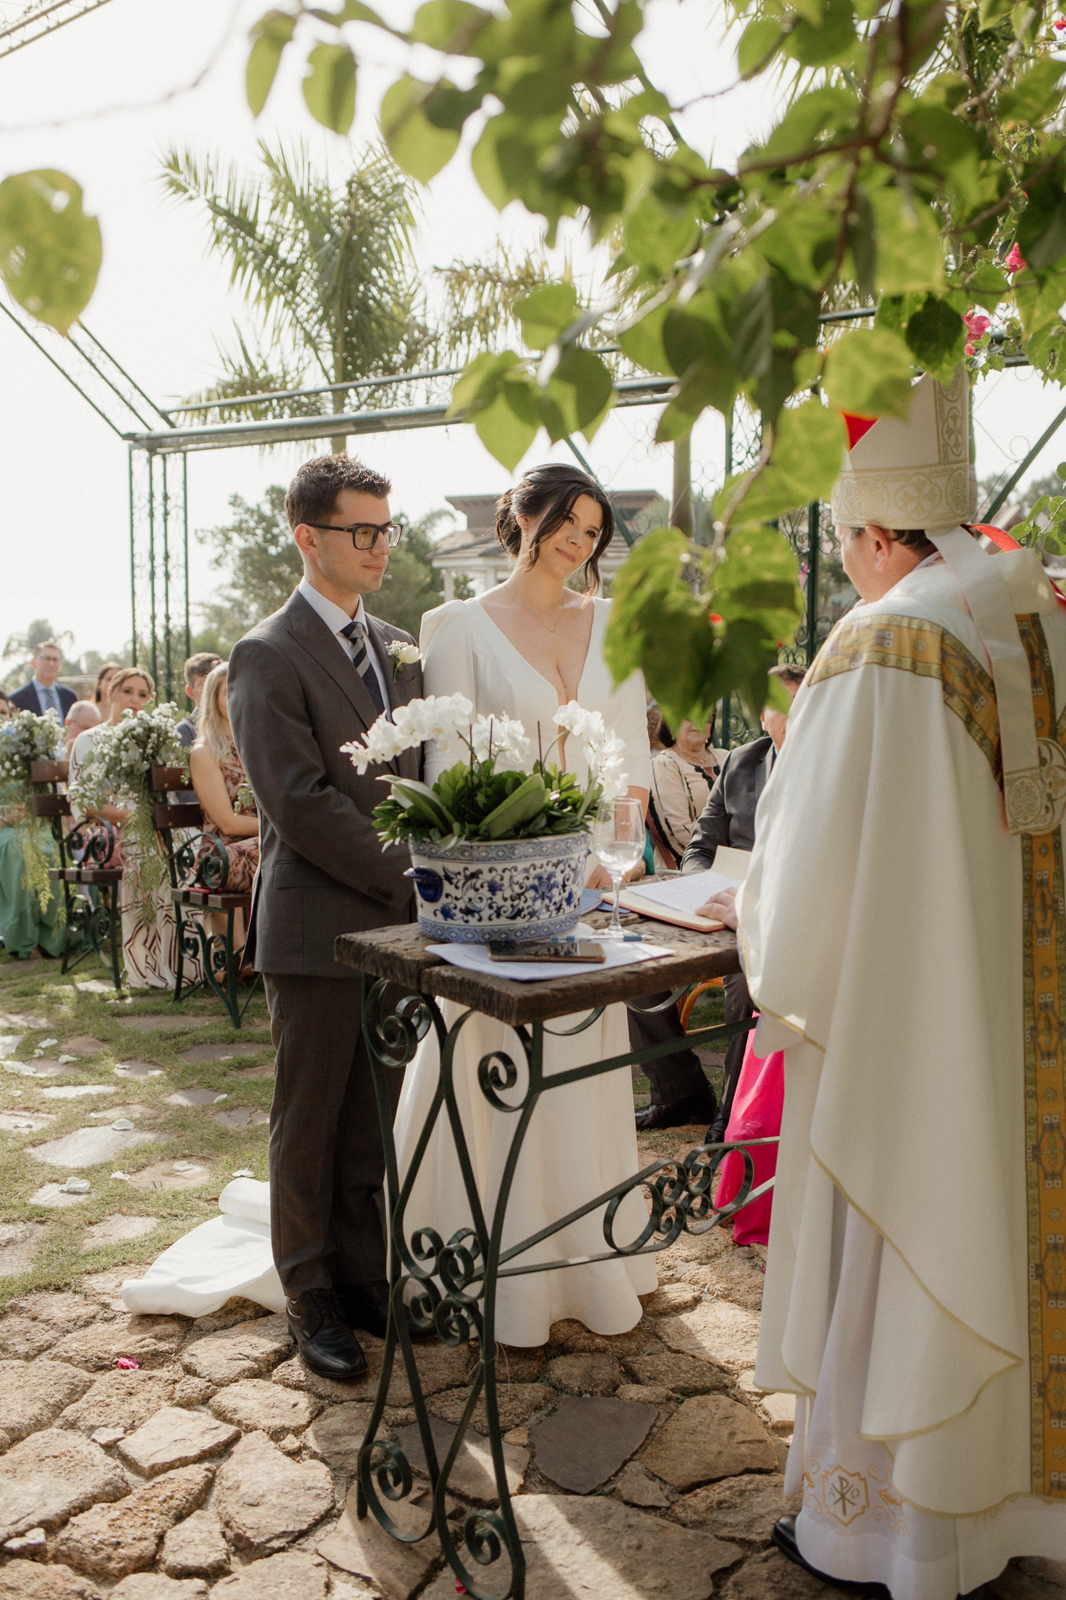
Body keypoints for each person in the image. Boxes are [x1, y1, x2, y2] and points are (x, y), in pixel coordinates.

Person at [703, 366, 1066, 1599]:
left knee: (908, 1223)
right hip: (1034, 1025)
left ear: (868, 532)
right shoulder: (1042, 610)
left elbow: (805, 874)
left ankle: (889, 1530)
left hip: (915, 1027)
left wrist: (750, 908)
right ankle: (1020, 1512)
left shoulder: (881, 638)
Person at [393, 462, 657, 1349]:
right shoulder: (457, 624)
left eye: (593, 528)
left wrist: (611, 861)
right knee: (493, 1066)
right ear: (523, 519)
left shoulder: (612, 624)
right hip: (498, 896)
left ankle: (590, 1253)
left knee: (582, 1066)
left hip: (590, 891)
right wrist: (518, 866)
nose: (580, 542)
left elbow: (628, 761)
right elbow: (445, 772)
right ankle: (485, 1261)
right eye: (565, 523)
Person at [227, 453, 423, 1381]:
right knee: (308, 1118)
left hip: (394, 929)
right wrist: (413, 876)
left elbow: (415, 773)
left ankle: (363, 1280)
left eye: (387, 528)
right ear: (309, 539)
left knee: (369, 1118)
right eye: (363, 531)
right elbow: (298, 800)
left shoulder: (397, 646)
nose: (381, 545)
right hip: (315, 923)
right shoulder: (265, 652)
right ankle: (309, 1294)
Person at [631, 666, 805, 1135]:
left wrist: (753, 907)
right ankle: (681, 1091)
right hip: (714, 903)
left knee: (742, 981)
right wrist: (697, 888)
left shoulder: (824, 767)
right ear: (763, 715)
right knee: (635, 966)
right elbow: (700, 848)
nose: (789, 715)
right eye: (778, 705)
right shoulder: (741, 762)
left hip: (777, 917)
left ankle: (731, 1116)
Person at [71, 666, 203, 993]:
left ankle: (189, 963)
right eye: (128, 691)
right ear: (111, 693)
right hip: (109, 833)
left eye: (143, 694)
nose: (134, 699)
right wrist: (137, 819)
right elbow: (86, 804)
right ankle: (147, 965)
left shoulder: (156, 738)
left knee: (193, 849)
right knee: (148, 854)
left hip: (158, 827)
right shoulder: (89, 740)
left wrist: (158, 822)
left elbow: (170, 795)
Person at [189, 662, 259, 896]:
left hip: (262, 844)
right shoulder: (204, 751)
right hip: (219, 857)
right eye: (228, 690)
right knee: (292, 852)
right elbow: (228, 823)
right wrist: (282, 830)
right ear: (213, 699)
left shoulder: (257, 745)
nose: (237, 695)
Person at [647, 715, 719, 870]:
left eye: (706, 715)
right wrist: (734, 850)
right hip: (685, 872)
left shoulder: (729, 757)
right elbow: (679, 833)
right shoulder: (664, 764)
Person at [10, 641, 76, 720]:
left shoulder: (70, 697)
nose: (51, 664)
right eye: (46, 659)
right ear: (33, 663)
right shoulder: (16, 700)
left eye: (55, 659)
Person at [177, 652, 222, 750]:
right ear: (190, 692)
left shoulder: (238, 724)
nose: (212, 690)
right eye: (203, 684)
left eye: (217, 684)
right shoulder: (186, 731)